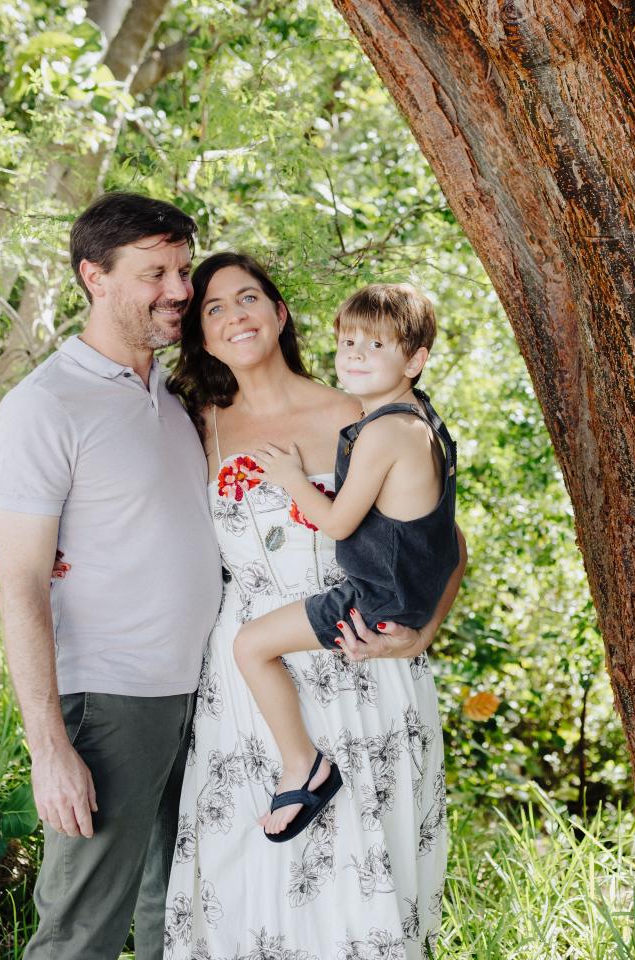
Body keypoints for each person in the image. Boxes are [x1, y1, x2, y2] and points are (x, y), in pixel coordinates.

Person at [163, 252, 463, 959]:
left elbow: (445, 545)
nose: (235, 316)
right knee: (249, 875)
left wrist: (418, 638)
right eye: (214, 308)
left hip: (360, 661)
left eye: (248, 298)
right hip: (249, 681)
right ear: (201, 336)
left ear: (280, 312)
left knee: (359, 881)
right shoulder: (193, 427)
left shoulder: (359, 411)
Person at [0, 193, 224, 957]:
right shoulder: (46, 406)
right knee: (82, 932)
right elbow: (21, 582)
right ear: (95, 276)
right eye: (155, 272)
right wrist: (48, 747)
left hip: (204, 694)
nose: (180, 290)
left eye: (183, 270)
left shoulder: (172, 396)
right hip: (111, 704)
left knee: (176, 918)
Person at [233, 283, 459, 840]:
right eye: (347, 341)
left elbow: (337, 523)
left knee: (250, 645)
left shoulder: (385, 433)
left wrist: (289, 479)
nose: (355, 354)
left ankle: (303, 766)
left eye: (375, 345)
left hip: (376, 598)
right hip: (404, 593)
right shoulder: (420, 422)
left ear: (415, 359)